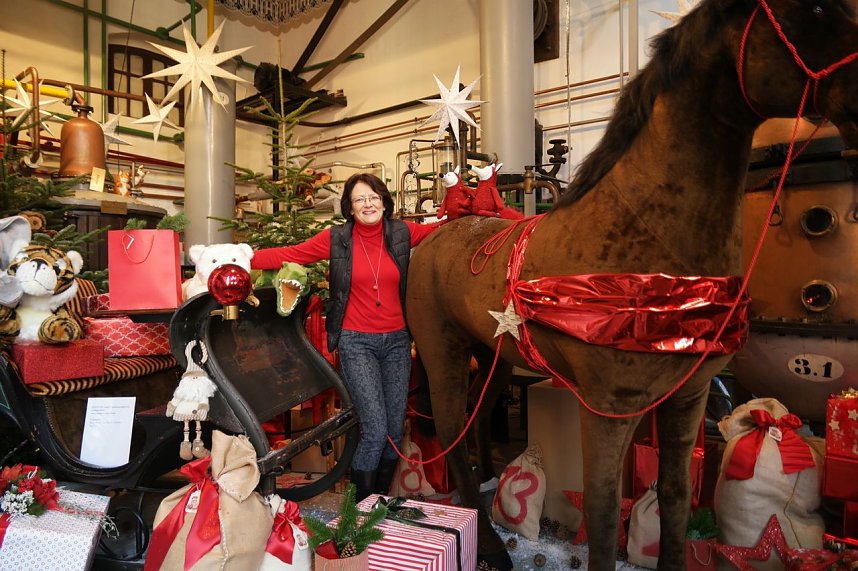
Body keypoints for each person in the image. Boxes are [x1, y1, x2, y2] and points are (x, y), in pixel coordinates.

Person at [251, 172, 441, 500]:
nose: (368, 204)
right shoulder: (337, 238)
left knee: (395, 431)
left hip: (397, 341)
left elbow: (444, 230)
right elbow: (293, 253)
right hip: (356, 342)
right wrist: (238, 257)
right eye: (360, 200)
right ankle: (361, 508)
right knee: (376, 430)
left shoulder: (401, 232)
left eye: (373, 197)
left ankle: (379, 502)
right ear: (350, 208)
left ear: (384, 200)